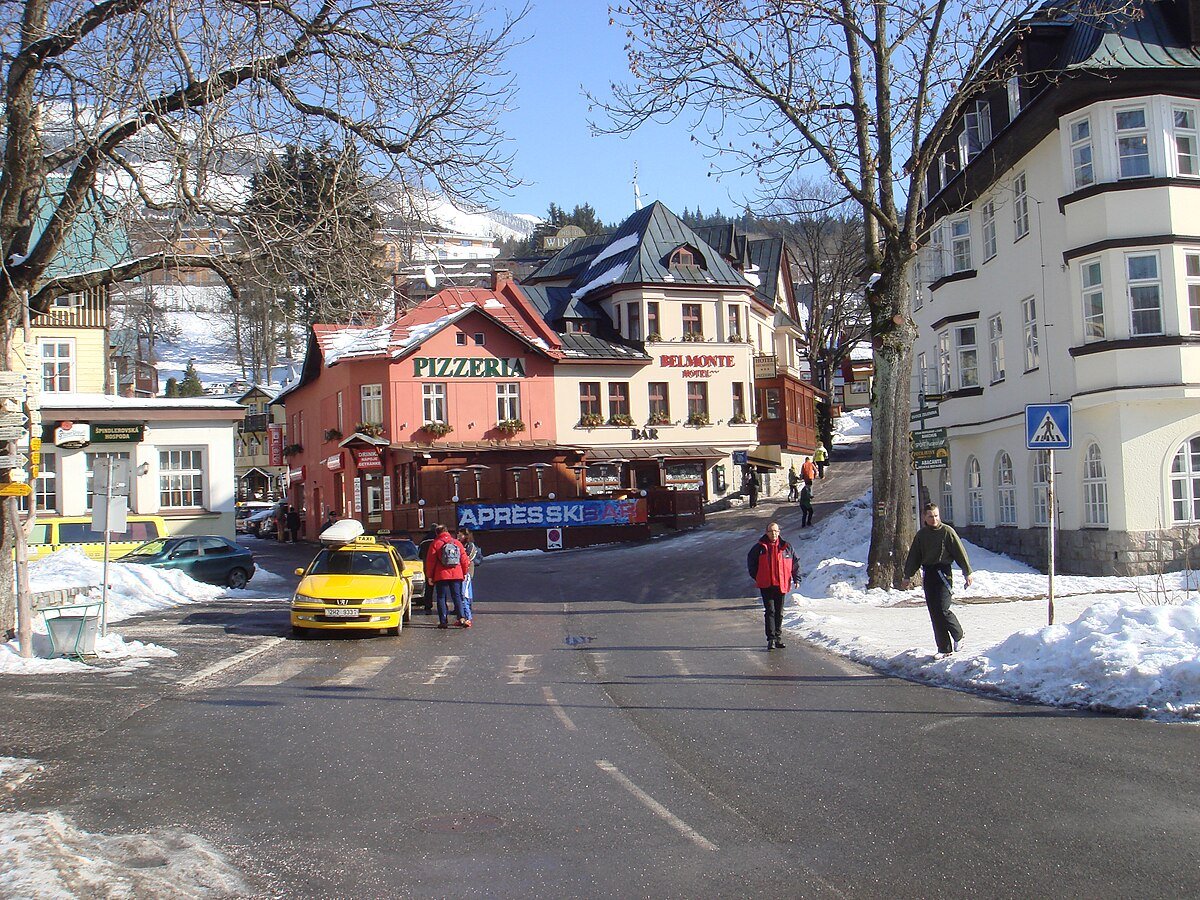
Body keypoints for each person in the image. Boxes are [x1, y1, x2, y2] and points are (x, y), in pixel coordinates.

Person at [903, 503, 973, 656]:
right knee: (934, 612)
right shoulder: (921, 535)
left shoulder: (947, 532)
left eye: (936, 516)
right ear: (924, 518)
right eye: (930, 516)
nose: (934, 519)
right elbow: (914, 556)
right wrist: (907, 575)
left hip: (943, 573)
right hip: (929, 573)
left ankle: (958, 634)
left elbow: (960, 553)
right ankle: (943, 648)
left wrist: (967, 572)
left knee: (943, 608)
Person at [746, 521, 799, 651]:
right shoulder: (760, 547)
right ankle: (771, 638)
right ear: (766, 533)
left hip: (781, 583)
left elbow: (795, 563)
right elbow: (751, 562)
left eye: (776, 531)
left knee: (779, 612)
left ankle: (778, 638)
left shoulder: (786, 547)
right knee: (770, 611)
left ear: (779, 532)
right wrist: (757, 576)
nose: (773, 533)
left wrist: (796, 578)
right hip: (766, 584)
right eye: (771, 531)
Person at [424, 525, 470, 628]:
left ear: (437, 533)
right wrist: (464, 572)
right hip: (456, 573)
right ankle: (461, 618)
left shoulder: (435, 543)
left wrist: (429, 576)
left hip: (441, 575)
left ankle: (443, 621)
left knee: (441, 597)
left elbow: (430, 562)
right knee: (457, 596)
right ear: (447, 531)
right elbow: (464, 560)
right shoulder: (456, 543)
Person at [456, 528, 483, 622]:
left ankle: (467, 613)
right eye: (458, 535)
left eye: (460, 535)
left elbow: (469, 557)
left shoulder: (470, 545)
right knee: (462, 591)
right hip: (459, 571)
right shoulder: (458, 544)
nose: (458, 537)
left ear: (465, 535)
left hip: (467, 570)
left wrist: (461, 559)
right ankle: (462, 610)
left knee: (465, 591)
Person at [417, 526, 439, 612]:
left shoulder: (424, 540)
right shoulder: (438, 540)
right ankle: (442, 605)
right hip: (438, 567)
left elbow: (419, 555)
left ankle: (428, 605)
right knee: (441, 588)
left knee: (429, 587)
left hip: (427, 566)